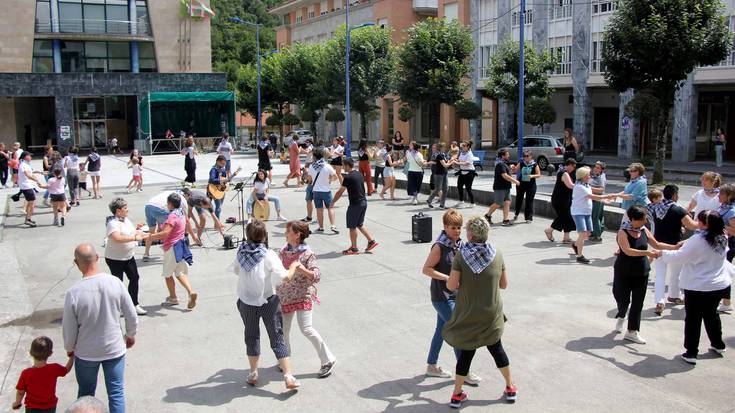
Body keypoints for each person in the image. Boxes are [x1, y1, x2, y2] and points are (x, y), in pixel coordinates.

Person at [442, 216, 516, 407]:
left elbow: (451, 286)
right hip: (491, 314)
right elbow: (504, 284)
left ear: (470, 234)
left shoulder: (461, 256)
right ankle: (510, 387)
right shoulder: (497, 253)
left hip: (469, 314)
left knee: (466, 354)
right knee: (497, 350)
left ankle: (457, 395)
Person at [62, 244, 138, 413]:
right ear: (97, 257)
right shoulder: (115, 282)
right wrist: (130, 335)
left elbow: (69, 327)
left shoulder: (73, 292)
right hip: (114, 348)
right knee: (116, 392)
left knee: (85, 395)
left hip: (86, 352)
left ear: (76, 263)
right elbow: (131, 314)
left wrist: (70, 347)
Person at [229, 220, 301, 389]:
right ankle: (288, 376)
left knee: (251, 336)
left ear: (248, 236)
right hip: (268, 301)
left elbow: (236, 271)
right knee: (277, 337)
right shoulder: (268, 254)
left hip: (246, 302)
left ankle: (253, 373)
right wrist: (294, 265)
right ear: (264, 236)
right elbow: (286, 277)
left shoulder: (241, 252)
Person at [660, 211, 731, 364]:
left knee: (693, 319)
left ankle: (691, 352)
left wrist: (661, 253)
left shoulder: (698, 239)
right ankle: (718, 344)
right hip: (717, 284)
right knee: (711, 315)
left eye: (699, 221)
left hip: (698, 285)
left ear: (704, 224)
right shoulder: (723, 236)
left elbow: (679, 257)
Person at [421, 209, 482, 384]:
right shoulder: (439, 246)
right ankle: (465, 371)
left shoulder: (458, 244)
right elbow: (426, 269)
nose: (457, 231)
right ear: (445, 227)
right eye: (453, 227)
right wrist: (448, 278)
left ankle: (431, 366)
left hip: (455, 295)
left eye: (459, 228)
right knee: (457, 332)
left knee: (441, 331)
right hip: (442, 297)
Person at [277, 220, 337, 377]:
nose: (285, 234)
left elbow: (316, 275)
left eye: (288, 231)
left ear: (297, 235)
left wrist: (302, 269)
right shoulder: (283, 251)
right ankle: (285, 359)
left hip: (303, 295)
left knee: (306, 329)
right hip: (286, 296)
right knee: (283, 330)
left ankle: (328, 360)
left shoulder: (307, 253)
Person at [612, 205, 678, 344]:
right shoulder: (622, 232)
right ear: (632, 219)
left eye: (645, 219)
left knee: (638, 302)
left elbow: (657, 244)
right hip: (624, 271)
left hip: (641, 271)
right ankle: (622, 315)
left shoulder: (643, 230)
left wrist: (675, 247)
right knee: (623, 300)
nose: (644, 222)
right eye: (641, 220)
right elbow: (628, 250)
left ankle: (632, 331)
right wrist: (647, 253)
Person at [648, 186, 698, 316]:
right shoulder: (678, 209)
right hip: (675, 247)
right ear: (675, 195)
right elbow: (691, 225)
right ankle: (674, 295)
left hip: (659, 245)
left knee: (660, 275)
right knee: (676, 273)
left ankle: (660, 301)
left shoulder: (656, 208)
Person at [146, 193, 200, 310]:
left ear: (170, 204)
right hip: (180, 245)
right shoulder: (181, 213)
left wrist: (150, 236)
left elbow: (166, 233)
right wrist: (194, 237)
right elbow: (187, 224)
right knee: (180, 273)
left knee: (168, 274)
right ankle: (191, 292)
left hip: (172, 247)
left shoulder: (172, 216)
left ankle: (173, 297)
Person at [105, 197, 149, 316]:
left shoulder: (126, 220)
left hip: (129, 256)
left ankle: (134, 304)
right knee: (118, 283)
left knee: (134, 278)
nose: (127, 209)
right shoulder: (113, 223)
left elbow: (132, 232)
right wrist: (135, 238)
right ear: (118, 211)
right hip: (115, 259)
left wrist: (140, 231)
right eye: (125, 208)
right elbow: (117, 238)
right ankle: (118, 307)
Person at [330, 158, 378, 254]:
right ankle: (371, 241)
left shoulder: (348, 177)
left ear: (347, 165)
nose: (343, 167)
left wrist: (333, 202)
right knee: (359, 224)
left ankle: (354, 248)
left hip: (355, 204)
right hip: (363, 202)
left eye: (343, 165)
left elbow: (340, 192)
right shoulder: (359, 174)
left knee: (352, 226)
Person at [12, 336, 74, 412]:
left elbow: (21, 392)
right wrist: (71, 357)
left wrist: (17, 402)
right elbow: (66, 369)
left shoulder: (26, 373)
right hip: (50, 408)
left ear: (31, 353)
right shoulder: (54, 368)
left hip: (32, 409)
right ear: (50, 353)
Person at [569, 167, 614, 264]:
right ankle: (579, 256)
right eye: (588, 175)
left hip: (586, 212)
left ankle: (576, 245)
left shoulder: (587, 186)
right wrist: (607, 196)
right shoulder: (579, 187)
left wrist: (605, 201)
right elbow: (593, 196)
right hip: (578, 213)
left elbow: (593, 198)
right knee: (582, 233)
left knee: (588, 233)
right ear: (583, 176)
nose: (590, 176)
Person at [143, 189, 195, 261]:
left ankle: (146, 254)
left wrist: (159, 226)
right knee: (168, 232)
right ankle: (168, 253)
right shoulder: (182, 200)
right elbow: (186, 221)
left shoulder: (171, 193)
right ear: (186, 195)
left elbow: (159, 205)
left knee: (151, 232)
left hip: (149, 206)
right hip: (159, 209)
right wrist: (194, 237)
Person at [544, 158, 576, 243]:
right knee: (564, 216)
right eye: (573, 166)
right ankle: (549, 230)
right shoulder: (564, 173)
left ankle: (566, 237)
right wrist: (581, 185)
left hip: (565, 199)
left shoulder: (565, 172)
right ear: (569, 165)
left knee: (567, 217)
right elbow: (570, 186)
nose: (573, 169)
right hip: (560, 200)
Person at [308, 148, 339, 234]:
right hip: (326, 191)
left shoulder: (311, 166)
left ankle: (321, 227)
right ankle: (333, 225)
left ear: (314, 157)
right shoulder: (327, 166)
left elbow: (309, 180)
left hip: (316, 191)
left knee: (319, 210)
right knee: (330, 208)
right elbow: (335, 177)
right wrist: (330, 179)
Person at [485, 149, 520, 226]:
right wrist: (515, 181)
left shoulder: (503, 163)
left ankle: (505, 220)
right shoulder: (500, 164)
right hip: (500, 187)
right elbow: (505, 176)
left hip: (506, 187)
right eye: (507, 154)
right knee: (498, 203)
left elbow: (506, 172)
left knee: (507, 202)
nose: (509, 156)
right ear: (503, 156)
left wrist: (510, 168)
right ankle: (487, 216)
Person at [15, 151, 46, 227]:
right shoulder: (23, 165)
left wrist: (39, 174)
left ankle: (28, 218)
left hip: (29, 186)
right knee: (32, 204)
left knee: (31, 203)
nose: (31, 157)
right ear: (26, 157)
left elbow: (31, 173)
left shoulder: (26, 164)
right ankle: (28, 219)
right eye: (30, 156)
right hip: (26, 186)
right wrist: (37, 180)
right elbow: (28, 175)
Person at [717, 183, 735, 313]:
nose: (719, 196)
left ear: (730, 196)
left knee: (724, 273)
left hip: (730, 245)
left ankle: (726, 302)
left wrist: (720, 226)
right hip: (722, 244)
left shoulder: (732, 211)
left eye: (722, 194)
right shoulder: (723, 207)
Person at [513, 149, 541, 223]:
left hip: (531, 184)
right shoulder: (521, 163)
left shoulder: (535, 164)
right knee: (519, 199)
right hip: (521, 183)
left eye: (527, 156)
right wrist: (513, 168)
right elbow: (515, 170)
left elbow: (538, 175)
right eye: (524, 156)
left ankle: (528, 218)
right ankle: (516, 213)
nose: (526, 157)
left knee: (529, 201)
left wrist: (531, 176)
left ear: (531, 156)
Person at [427, 142, 455, 209]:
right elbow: (445, 165)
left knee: (445, 189)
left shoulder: (444, 154)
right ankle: (429, 200)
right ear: (441, 148)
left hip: (444, 173)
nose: (445, 148)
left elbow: (446, 162)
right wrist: (452, 162)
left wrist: (451, 160)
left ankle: (442, 205)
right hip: (438, 174)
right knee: (438, 189)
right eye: (444, 147)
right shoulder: (439, 155)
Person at [207, 155, 232, 219]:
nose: (224, 165)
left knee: (219, 207)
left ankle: (217, 222)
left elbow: (224, 180)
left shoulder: (223, 170)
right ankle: (217, 223)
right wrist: (222, 180)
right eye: (222, 163)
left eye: (224, 164)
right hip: (214, 190)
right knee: (218, 207)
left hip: (221, 190)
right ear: (218, 162)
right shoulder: (213, 170)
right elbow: (212, 180)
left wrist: (227, 180)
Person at [589, 161, 607, 242]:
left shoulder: (601, 177)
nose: (595, 169)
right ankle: (594, 233)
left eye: (598, 168)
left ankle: (597, 235)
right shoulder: (594, 176)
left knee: (595, 217)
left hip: (598, 199)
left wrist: (589, 188)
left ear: (601, 170)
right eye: (595, 167)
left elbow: (601, 190)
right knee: (595, 216)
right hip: (593, 198)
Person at [455, 141, 477, 208]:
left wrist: (457, 163)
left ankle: (472, 203)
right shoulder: (462, 153)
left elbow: (467, 163)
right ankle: (461, 200)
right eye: (462, 145)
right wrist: (454, 160)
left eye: (464, 146)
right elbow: (460, 160)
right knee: (459, 186)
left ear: (468, 147)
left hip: (469, 172)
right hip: (462, 172)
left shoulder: (470, 154)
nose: (462, 147)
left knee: (468, 188)